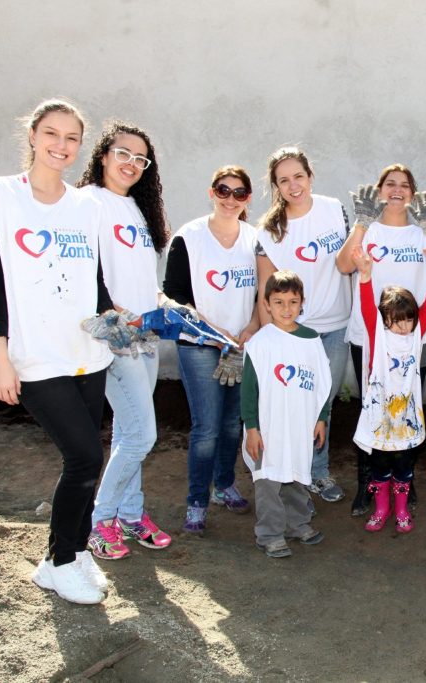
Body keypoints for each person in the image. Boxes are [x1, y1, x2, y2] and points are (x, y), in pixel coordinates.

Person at [0, 99, 114, 604]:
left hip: (88, 352)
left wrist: (114, 321)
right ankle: (60, 561)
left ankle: (74, 551)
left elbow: (93, 280)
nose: (61, 145)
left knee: (89, 459)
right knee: (83, 457)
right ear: (32, 135)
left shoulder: (87, 206)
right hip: (36, 356)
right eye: (52, 133)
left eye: (72, 137)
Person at [77, 121, 172, 560]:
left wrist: (164, 302)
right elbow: (84, 271)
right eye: (123, 153)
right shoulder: (87, 202)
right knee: (141, 435)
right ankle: (99, 522)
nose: (131, 163)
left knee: (128, 432)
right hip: (116, 339)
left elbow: (141, 277)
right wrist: (111, 313)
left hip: (146, 336)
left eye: (140, 158)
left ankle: (131, 515)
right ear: (103, 155)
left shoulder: (136, 208)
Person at [336, 165, 426, 515]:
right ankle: (368, 483)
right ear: (379, 191)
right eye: (390, 184)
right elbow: (344, 265)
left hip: (417, 338)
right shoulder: (368, 229)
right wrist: (360, 222)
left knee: (407, 408)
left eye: (405, 185)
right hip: (370, 338)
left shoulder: (422, 233)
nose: (397, 190)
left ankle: (405, 478)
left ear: (414, 195)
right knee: (372, 409)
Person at [163, 165, 261, 534]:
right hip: (200, 345)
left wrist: (250, 329)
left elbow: (262, 292)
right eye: (223, 190)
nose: (230, 199)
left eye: (239, 193)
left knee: (232, 423)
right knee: (206, 428)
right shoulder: (188, 237)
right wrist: (213, 331)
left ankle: (223, 485)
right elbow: (174, 296)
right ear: (211, 192)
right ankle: (197, 502)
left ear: (248, 199)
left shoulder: (255, 239)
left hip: (240, 345)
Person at [255, 146, 350, 504]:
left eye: (298, 176)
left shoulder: (334, 209)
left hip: (337, 325)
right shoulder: (269, 232)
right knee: (294, 402)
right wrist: (270, 339)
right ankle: (291, 474)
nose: (293, 185)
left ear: (310, 176)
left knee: (323, 402)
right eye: (284, 180)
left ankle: (318, 472)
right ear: (276, 186)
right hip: (297, 332)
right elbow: (266, 291)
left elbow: (349, 260)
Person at [351, 243, 426, 533]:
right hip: (380, 415)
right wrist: (365, 276)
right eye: (397, 320)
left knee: (404, 465)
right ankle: (381, 509)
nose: (404, 326)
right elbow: (367, 307)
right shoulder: (377, 335)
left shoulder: (416, 335)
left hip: (406, 415)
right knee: (380, 465)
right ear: (385, 319)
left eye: (409, 319)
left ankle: (402, 509)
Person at [242, 271, 331, 558]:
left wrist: (321, 417)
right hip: (269, 427)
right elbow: (248, 390)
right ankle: (269, 535)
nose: (286, 309)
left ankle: (297, 524)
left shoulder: (311, 340)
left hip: (300, 424)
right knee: (269, 480)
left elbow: (323, 383)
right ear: (267, 304)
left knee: (296, 475)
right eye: (278, 302)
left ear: (302, 303)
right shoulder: (260, 343)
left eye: (293, 302)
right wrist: (252, 428)